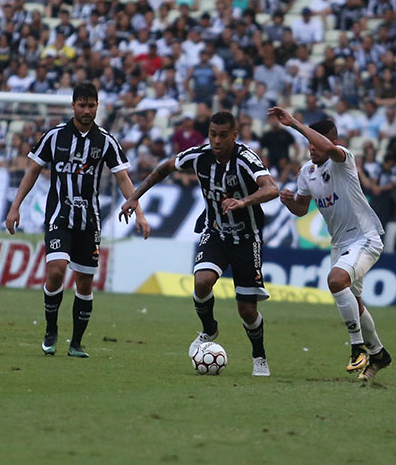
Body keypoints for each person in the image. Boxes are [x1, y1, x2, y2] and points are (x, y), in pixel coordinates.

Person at [119, 112, 279, 377]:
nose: (217, 140)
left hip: (246, 238)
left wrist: (243, 201)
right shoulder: (199, 156)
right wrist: (135, 197)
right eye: (213, 134)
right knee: (202, 281)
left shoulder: (246, 158)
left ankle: (259, 356)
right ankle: (209, 329)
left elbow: (271, 188)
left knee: (247, 310)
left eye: (223, 135)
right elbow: (165, 168)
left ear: (234, 136)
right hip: (215, 231)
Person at [5, 81, 150, 358]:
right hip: (59, 216)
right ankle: (50, 329)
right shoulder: (54, 136)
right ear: (73, 106)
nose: (86, 110)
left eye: (91, 105)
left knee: (84, 282)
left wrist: (139, 213)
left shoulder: (105, 140)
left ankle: (76, 343)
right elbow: (32, 170)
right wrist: (15, 207)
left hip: (89, 221)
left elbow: (122, 178)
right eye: (82, 105)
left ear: (97, 106)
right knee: (57, 270)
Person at [270, 106, 392, 382]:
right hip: (340, 244)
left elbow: (328, 146)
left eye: (315, 142)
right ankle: (379, 354)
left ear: (330, 143)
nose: (311, 148)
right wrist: (290, 203)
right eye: (309, 143)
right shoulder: (307, 172)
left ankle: (357, 346)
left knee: (336, 281)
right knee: (355, 302)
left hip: (365, 237)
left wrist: (294, 123)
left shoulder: (343, 159)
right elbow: (302, 208)